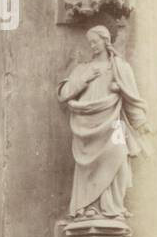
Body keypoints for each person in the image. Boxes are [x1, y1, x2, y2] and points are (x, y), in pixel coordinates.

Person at [57, 26, 150, 218]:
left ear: (105, 41)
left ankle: (113, 207)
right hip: (87, 125)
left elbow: (131, 98)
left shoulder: (119, 67)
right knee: (89, 169)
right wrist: (84, 79)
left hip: (114, 122)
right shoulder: (83, 69)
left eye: (95, 41)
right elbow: (64, 94)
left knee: (119, 157)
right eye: (90, 42)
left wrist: (141, 123)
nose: (92, 46)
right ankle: (89, 207)